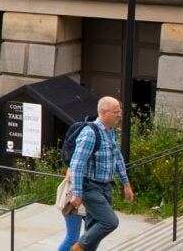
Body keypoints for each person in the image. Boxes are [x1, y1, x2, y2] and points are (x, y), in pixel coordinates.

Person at [68, 96, 134, 251]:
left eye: (120, 111)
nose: (120, 115)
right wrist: (77, 193)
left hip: (105, 187)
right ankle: (77, 248)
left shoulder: (110, 132)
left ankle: (84, 247)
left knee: (93, 229)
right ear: (104, 112)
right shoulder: (90, 134)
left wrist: (126, 184)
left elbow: (117, 158)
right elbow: (77, 164)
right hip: (90, 188)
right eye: (116, 112)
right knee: (110, 222)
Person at [55, 164, 86, 251]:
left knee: (92, 238)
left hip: (88, 203)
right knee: (72, 238)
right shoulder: (77, 158)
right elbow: (69, 177)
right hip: (72, 204)